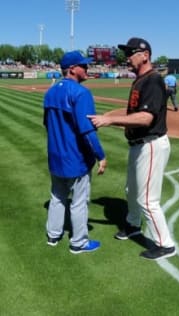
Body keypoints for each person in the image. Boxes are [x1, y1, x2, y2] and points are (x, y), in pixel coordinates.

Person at [87, 37, 176, 260]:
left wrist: (109, 121)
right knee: (132, 191)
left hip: (151, 143)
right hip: (138, 145)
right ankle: (133, 224)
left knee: (147, 199)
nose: (127, 57)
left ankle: (165, 244)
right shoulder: (139, 80)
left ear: (145, 55)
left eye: (131, 53)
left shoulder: (153, 80)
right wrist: (109, 116)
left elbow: (146, 118)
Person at [43, 51, 107, 254]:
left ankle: (53, 235)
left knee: (57, 197)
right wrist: (101, 155)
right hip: (76, 158)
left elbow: (47, 124)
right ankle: (78, 242)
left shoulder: (50, 92)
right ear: (72, 69)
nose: (87, 69)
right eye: (83, 66)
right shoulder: (81, 93)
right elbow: (87, 130)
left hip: (55, 156)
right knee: (79, 202)